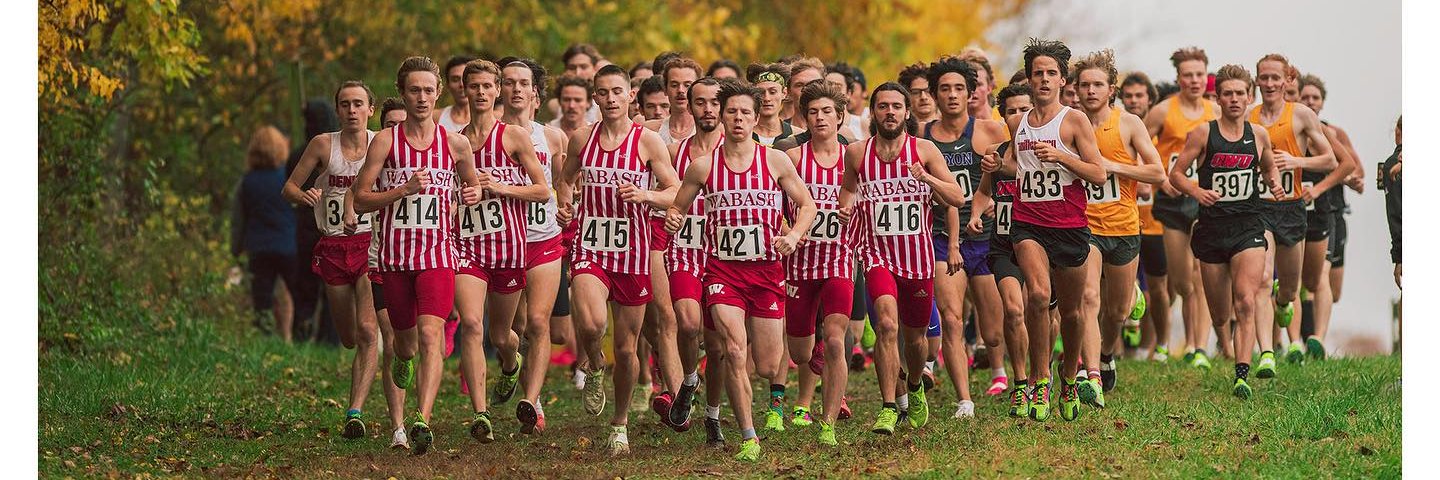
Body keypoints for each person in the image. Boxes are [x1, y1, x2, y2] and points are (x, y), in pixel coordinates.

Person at [666, 79, 817, 462]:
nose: (737, 118)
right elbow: (678, 207)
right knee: (733, 349)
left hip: (766, 273)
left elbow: (808, 205)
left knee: (767, 364)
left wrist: (795, 235)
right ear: (721, 115)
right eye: (730, 111)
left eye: (744, 112)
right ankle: (749, 435)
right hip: (723, 274)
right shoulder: (702, 167)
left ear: (755, 117)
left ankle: (752, 408)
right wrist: (671, 218)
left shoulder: (774, 160)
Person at [351, 56, 482, 455]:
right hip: (394, 259)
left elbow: (472, 188)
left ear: (438, 92)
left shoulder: (456, 144)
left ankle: (422, 418)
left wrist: (472, 194)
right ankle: (402, 372)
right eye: (414, 90)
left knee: (431, 336)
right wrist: (402, 191)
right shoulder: (386, 142)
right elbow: (359, 200)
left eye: (428, 90)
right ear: (403, 93)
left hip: (438, 257)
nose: (422, 98)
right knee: (404, 345)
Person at [555, 64, 680, 457]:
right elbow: (565, 178)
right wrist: (565, 202)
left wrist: (646, 197)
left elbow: (675, 189)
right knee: (591, 324)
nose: (610, 99)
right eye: (603, 92)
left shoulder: (647, 142)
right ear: (596, 97)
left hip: (635, 250)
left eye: (617, 92)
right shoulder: (582, 138)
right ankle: (593, 364)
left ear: (630, 96)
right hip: (591, 245)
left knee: (627, 348)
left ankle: (620, 424)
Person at [838, 81, 967, 434]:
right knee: (886, 326)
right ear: (874, 113)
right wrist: (845, 208)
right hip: (877, 253)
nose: (890, 112)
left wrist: (926, 178)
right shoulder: (858, 153)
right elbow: (848, 190)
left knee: (914, 340)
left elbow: (956, 196)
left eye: (896, 106)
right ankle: (889, 406)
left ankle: (913, 385)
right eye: (883, 106)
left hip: (918, 258)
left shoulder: (923, 150)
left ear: (907, 113)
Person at [994, 38, 1108, 422]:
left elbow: (1098, 172)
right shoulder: (1017, 122)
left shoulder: (1074, 120)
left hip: (1071, 226)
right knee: (1038, 296)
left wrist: (1061, 156)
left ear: (1063, 80)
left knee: (1073, 314)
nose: (1043, 79)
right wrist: (995, 167)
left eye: (1051, 74)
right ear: (1029, 79)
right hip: (1028, 224)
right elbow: (1014, 165)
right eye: (1037, 73)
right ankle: (1039, 380)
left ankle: (1069, 376)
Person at [449, 59, 551, 444]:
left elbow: (543, 190)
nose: (479, 92)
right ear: (462, 90)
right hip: (467, 248)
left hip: (509, 247)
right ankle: (481, 413)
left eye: (486, 86)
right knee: (472, 326)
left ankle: (511, 363)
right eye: (471, 86)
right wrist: (462, 197)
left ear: (497, 91)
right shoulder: (454, 141)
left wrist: (502, 187)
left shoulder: (514, 137)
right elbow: (448, 194)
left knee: (501, 334)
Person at [1168, 64, 1283, 399]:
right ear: (1217, 98)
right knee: (1221, 313)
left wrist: (1273, 183)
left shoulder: (1258, 134)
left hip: (1248, 225)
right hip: (1212, 229)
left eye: (1240, 94)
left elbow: (1269, 164)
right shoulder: (1204, 134)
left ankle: (1242, 375)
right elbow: (1175, 174)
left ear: (1250, 97)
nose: (1234, 99)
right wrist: (1195, 191)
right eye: (1228, 93)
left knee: (1246, 299)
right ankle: (1223, 336)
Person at [281, 81, 383, 439]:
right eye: (345, 104)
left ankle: (355, 410)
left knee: (368, 331)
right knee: (349, 336)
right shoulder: (324, 145)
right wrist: (305, 194)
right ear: (338, 110)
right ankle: (363, 350)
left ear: (371, 109)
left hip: (371, 243)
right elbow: (289, 188)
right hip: (334, 245)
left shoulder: (382, 143)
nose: (352, 110)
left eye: (358, 104)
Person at [1071, 50, 1166, 404]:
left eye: (1098, 85)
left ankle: (1107, 355)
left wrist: (1114, 166)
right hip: (1085, 227)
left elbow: (1157, 173)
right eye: (1085, 85)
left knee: (1118, 311)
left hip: (1125, 226)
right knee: (1089, 297)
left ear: (1111, 89)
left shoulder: (1128, 124)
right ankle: (1091, 372)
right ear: (1076, 90)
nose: (1091, 91)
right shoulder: (1070, 125)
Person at [920, 56, 1008, 417]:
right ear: (935, 95)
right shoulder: (922, 136)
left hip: (986, 239)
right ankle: (964, 399)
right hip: (941, 238)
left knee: (996, 330)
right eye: (945, 89)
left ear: (971, 93)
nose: (953, 95)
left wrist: (993, 198)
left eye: (959, 88)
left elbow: (1016, 171)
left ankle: (1004, 373)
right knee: (952, 319)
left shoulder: (989, 131)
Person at [496, 58, 572, 435]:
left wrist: (566, 207)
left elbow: (564, 181)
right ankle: (511, 363)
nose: (515, 89)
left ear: (534, 93)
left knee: (539, 323)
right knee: (510, 329)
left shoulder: (553, 137)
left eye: (522, 82)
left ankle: (534, 402)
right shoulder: (483, 134)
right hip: (502, 242)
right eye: (508, 82)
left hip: (544, 238)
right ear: (498, 89)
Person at [1246, 54, 1335, 369]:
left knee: (1290, 288)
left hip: (1293, 209)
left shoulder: (1301, 116)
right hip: (1258, 207)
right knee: (1262, 278)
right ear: (1257, 81)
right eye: (1264, 78)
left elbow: (1330, 160)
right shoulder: (1247, 116)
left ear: (1286, 81)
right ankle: (1267, 353)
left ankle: (1283, 304)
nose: (1269, 84)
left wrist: (1297, 162)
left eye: (1275, 78)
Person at [781, 82, 855, 445]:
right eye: (813, 112)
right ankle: (816, 353)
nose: (820, 117)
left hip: (840, 259)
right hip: (799, 265)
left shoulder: (853, 159)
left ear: (840, 117)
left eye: (827, 111)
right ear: (804, 118)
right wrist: (787, 229)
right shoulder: (793, 159)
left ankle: (827, 422)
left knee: (837, 339)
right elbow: (771, 206)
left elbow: (870, 203)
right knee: (800, 353)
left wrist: (855, 215)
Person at [1144, 47, 1221, 369]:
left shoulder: (1215, 113)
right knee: (1181, 281)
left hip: (1204, 200)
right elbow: (1139, 148)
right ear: (1178, 78)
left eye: (1199, 75)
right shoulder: (1162, 111)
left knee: (1200, 274)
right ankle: (1189, 341)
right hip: (1172, 201)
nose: (1194, 80)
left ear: (1206, 78)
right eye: (1187, 75)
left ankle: (1197, 346)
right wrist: (1159, 180)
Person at [638, 55, 702, 429]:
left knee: (695, 322)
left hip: (706, 233)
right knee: (664, 316)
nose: (680, 91)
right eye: (673, 84)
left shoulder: (718, 130)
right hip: (656, 228)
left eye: (686, 85)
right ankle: (679, 396)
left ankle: (689, 378)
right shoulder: (647, 131)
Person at [660, 77, 724, 442]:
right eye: (700, 102)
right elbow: (666, 195)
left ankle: (713, 416)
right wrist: (668, 211)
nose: (708, 109)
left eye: (715, 102)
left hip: (723, 256)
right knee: (686, 324)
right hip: (685, 249)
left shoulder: (744, 151)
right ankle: (688, 380)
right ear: (689, 106)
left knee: (716, 345)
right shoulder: (676, 152)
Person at [972, 82, 1034, 416]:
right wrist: (976, 214)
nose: (1019, 116)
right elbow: (984, 192)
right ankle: (1021, 382)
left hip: (1043, 244)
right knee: (1013, 310)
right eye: (1012, 110)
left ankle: (1043, 375)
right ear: (1003, 116)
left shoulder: (1048, 149)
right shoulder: (994, 154)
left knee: (1041, 313)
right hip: (1004, 243)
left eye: (1025, 109)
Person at [1295, 73, 1363, 354]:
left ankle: (1313, 336)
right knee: (1307, 280)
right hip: (1298, 215)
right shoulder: (1291, 131)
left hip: (1330, 212)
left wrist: (1335, 180)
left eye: (1315, 97)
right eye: (1305, 97)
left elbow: (1357, 173)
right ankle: (1310, 339)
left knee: (1332, 290)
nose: (1310, 101)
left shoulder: (1333, 133)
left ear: (1323, 102)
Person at [372, 97, 411, 449]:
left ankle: (422, 414)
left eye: (403, 123)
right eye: (390, 125)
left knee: (416, 342)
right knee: (391, 339)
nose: (397, 130)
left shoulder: (429, 157)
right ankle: (398, 426)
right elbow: (358, 197)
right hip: (380, 260)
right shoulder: (376, 155)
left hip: (423, 260)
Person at [235, 125, 298, 340]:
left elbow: (239, 220)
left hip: (258, 247)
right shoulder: (290, 178)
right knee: (294, 294)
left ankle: (264, 338)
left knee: (262, 298)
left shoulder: (247, 182)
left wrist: (235, 249)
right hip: (289, 245)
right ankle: (290, 336)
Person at [747, 63, 796, 147]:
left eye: (772, 92)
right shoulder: (743, 135)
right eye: (761, 92)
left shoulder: (797, 136)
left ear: (784, 93)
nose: (767, 98)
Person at [437, 55, 478, 132]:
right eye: (455, 79)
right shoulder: (436, 117)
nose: (462, 85)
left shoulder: (497, 118)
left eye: (466, 79)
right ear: (447, 85)